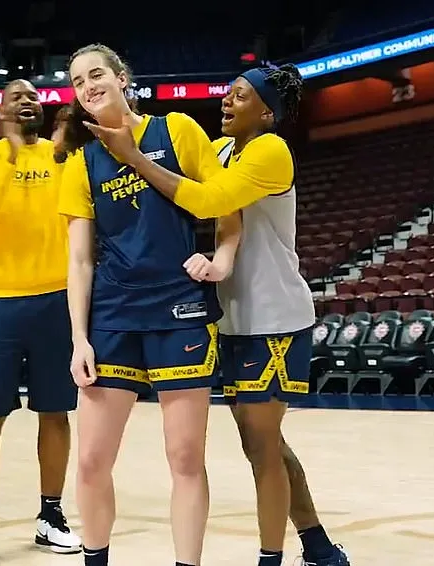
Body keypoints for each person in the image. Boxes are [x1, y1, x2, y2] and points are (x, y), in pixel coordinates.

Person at [84, 64, 351, 566]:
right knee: (263, 444)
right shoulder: (223, 149)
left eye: (241, 96)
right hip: (226, 315)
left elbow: (210, 200)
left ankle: (275, 557)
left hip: (272, 316)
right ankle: (317, 544)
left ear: (267, 110)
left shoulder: (271, 149)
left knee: (262, 447)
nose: (227, 102)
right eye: (228, 94)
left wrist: (133, 157)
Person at [58, 44, 241, 566]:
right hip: (113, 316)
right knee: (92, 460)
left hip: (179, 307)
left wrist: (222, 258)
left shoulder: (176, 130)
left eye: (97, 75)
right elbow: (79, 262)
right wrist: (78, 338)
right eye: (77, 82)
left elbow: (226, 205)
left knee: (185, 457)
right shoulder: (81, 164)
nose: (89, 86)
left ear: (121, 78)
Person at [0, 79, 81, 566]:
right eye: (16, 96)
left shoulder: (62, 156)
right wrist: (8, 155)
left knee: (55, 412)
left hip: (55, 300)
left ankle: (51, 516)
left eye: (34, 96)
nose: (28, 100)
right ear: (1, 111)